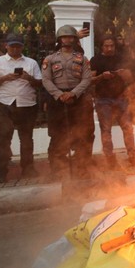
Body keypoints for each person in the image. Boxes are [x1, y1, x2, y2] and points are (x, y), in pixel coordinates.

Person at [0, 34, 43, 182]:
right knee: (3, 139)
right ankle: (0, 173)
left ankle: (28, 170)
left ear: (22, 47)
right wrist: (5, 78)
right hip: (3, 104)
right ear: (6, 46)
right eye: (12, 46)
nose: (15, 48)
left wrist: (28, 78)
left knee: (27, 139)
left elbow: (40, 84)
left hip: (27, 104)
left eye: (18, 46)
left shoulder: (31, 63)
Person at [42, 25, 95, 180]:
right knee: (58, 136)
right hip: (57, 100)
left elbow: (87, 79)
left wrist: (73, 93)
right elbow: (46, 79)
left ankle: (82, 169)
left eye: (70, 37)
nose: (67, 39)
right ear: (59, 39)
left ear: (74, 39)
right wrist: (59, 95)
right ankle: (58, 170)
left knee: (83, 134)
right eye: (64, 37)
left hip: (78, 99)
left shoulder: (82, 59)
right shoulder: (50, 59)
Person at [90, 35, 135, 169]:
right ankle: (110, 159)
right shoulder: (96, 60)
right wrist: (101, 76)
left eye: (112, 46)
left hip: (121, 98)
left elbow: (131, 77)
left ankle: (133, 157)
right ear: (102, 47)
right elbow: (90, 80)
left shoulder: (121, 58)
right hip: (103, 100)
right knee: (106, 130)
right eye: (106, 46)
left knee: (128, 128)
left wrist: (125, 74)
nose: (109, 48)